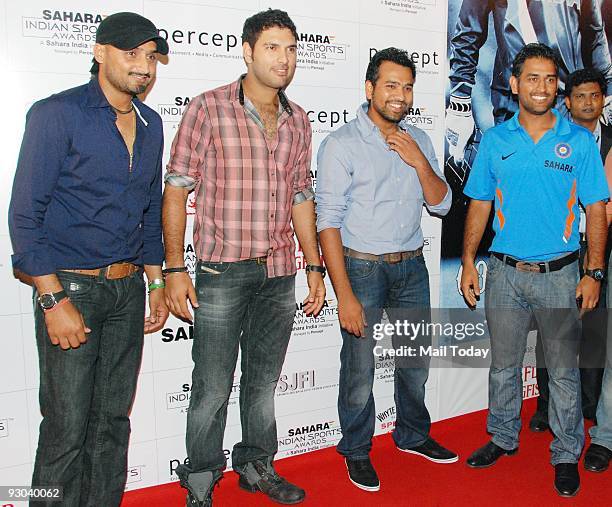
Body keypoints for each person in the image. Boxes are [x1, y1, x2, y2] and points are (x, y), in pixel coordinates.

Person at [162, 9, 325, 507]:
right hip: (221, 272)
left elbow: (301, 196)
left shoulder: (298, 119)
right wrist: (172, 267)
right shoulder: (207, 109)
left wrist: (314, 266)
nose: (284, 58)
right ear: (248, 51)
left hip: (279, 274)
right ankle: (201, 478)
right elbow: (175, 191)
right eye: (273, 47)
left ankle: (256, 465)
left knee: (261, 384)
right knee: (212, 386)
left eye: (292, 49)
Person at [8, 12, 169, 507]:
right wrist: (51, 297)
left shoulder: (151, 122)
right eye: (130, 53)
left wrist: (158, 282)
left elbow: (148, 210)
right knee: (65, 428)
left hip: (127, 292)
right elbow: (24, 214)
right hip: (70, 288)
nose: (142, 66)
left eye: (149, 55)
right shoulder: (57, 114)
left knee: (111, 422)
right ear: (100, 53)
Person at [461, 43, 609, 497]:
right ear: (514, 84)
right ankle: (503, 436)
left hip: (562, 275)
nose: (542, 87)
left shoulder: (579, 141)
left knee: (563, 372)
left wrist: (595, 272)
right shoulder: (496, 140)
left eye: (549, 80)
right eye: (532, 78)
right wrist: (468, 259)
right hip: (504, 273)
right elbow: (481, 202)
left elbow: (597, 209)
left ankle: (566, 454)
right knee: (503, 366)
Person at [316, 47, 456, 493]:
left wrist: (418, 159)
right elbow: (328, 223)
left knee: (415, 362)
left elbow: (443, 203)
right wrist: (345, 295)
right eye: (391, 85)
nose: (400, 95)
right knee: (358, 368)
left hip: (412, 266)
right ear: (370, 88)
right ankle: (357, 451)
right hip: (362, 270)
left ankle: (412, 435)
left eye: (408, 86)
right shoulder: (340, 144)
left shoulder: (420, 140)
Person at [530, 68, 612, 432]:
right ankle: (545, 407)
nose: (588, 103)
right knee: (554, 329)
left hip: (600, 247)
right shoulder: (552, 138)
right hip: (559, 247)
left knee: (595, 329)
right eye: (580, 96)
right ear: (568, 101)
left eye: (595, 95)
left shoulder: (611, 143)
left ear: (603, 99)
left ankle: (589, 406)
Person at [446, 0, 612, 163]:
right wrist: (459, 103)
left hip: (566, 106)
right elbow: (468, 32)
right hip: (515, 106)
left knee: (567, 185)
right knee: (516, 183)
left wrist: (609, 91)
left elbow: (593, 31)